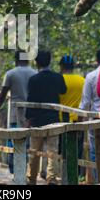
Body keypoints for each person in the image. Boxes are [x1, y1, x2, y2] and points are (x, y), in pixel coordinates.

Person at [25, 51, 67, 185]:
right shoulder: (57, 77)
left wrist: (28, 118)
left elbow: (30, 99)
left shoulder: (33, 79)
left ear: (37, 63)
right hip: (53, 118)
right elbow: (63, 90)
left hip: (37, 119)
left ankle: (31, 178)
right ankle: (52, 178)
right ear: (50, 62)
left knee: (34, 150)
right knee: (52, 150)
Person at [0, 50, 37, 174]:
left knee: (13, 143)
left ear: (16, 59)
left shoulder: (11, 74)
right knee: (27, 144)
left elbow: (3, 95)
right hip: (30, 115)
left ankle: (15, 172)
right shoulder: (35, 73)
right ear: (28, 59)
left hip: (14, 115)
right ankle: (24, 170)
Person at [79, 47, 100, 182]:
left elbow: (85, 103)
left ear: (97, 60)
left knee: (95, 153)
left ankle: (98, 181)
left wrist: (79, 122)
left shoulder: (91, 76)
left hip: (95, 119)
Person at [59, 55, 85, 122]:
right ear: (73, 66)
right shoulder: (82, 80)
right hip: (78, 120)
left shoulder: (58, 80)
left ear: (61, 66)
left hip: (61, 121)